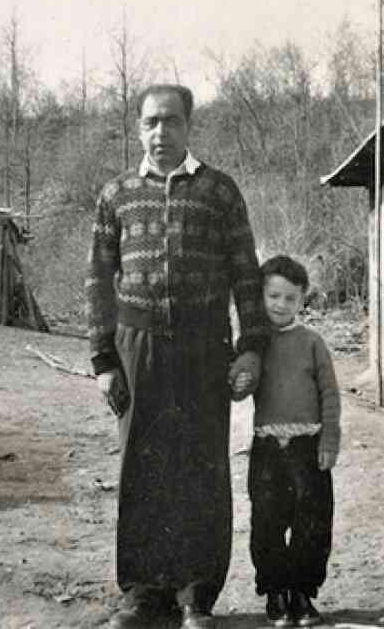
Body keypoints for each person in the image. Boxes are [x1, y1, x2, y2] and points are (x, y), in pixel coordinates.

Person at [86, 84, 268, 629]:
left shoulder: (219, 191)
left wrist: (251, 349)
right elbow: (98, 281)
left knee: (201, 469)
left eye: (170, 122)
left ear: (189, 125)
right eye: (149, 123)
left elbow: (245, 273)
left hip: (203, 348)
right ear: (137, 129)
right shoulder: (116, 194)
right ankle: (143, 593)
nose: (159, 133)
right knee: (142, 469)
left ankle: (195, 596)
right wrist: (103, 360)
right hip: (136, 348)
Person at [232, 255, 340, 628]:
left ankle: (302, 594)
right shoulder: (255, 343)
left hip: (307, 448)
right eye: (273, 296)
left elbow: (330, 393)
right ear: (260, 296)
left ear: (302, 300)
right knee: (267, 523)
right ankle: (276, 593)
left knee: (313, 523)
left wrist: (329, 440)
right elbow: (237, 386)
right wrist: (240, 380)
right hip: (267, 451)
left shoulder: (312, 342)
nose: (280, 305)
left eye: (290, 298)